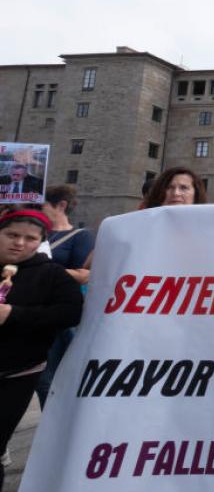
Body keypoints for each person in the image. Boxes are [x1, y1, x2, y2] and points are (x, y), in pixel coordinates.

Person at [0, 210, 83, 489]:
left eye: (29, 238)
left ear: (40, 242)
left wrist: (14, 313)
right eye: (12, 235)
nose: (20, 243)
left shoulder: (52, 275)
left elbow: (70, 314)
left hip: (16, 374)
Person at [34, 186, 94, 408]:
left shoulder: (81, 236)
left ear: (61, 205)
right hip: (34, 312)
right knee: (42, 378)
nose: (38, 211)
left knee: (57, 377)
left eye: (42, 206)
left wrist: (42, 268)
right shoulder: (33, 234)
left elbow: (85, 275)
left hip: (63, 315)